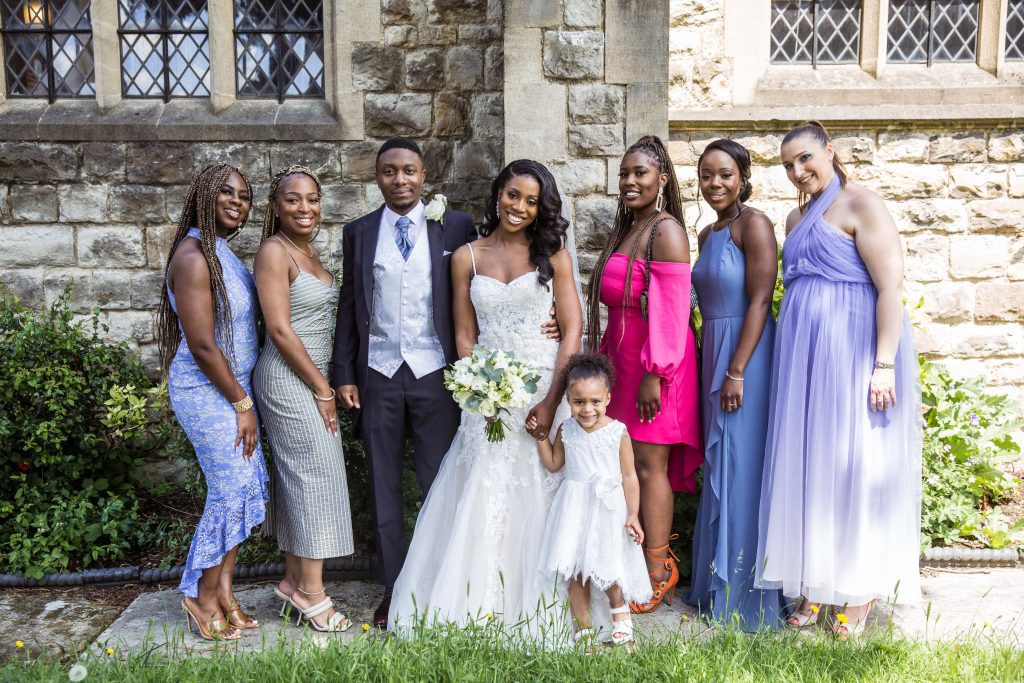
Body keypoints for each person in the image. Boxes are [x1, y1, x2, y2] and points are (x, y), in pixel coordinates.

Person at [332, 139, 559, 628]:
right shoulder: (359, 232)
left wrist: (552, 315)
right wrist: (345, 374)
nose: (400, 180)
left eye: (409, 170)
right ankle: (396, 589)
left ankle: (442, 581)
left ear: (423, 174)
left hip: (438, 376)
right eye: (389, 172)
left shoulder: (453, 225)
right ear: (377, 178)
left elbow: (510, 274)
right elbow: (351, 306)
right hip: (379, 375)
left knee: (446, 482)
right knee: (385, 489)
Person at [388, 159, 584, 635]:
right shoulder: (466, 257)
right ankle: (479, 603)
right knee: (483, 484)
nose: (519, 207)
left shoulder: (552, 254)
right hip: (489, 395)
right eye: (513, 195)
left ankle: (548, 606)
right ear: (497, 194)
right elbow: (464, 336)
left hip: (542, 384)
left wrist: (551, 398)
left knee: (543, 484)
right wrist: (481, 390)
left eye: (532, 201)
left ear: (541, 209)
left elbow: (573, 328)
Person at [755, 121, 921, 637]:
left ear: (830, 152)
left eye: (805, 158)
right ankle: (815, 582)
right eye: (787, 165)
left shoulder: (861, 204)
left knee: (856, 462)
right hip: (805, 358)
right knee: (813, 463)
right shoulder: (793, 216)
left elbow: (889, 286)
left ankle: (858, 589)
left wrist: (884, 363)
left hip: (853, 351)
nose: (797, 171)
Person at [584, 135, 702, 614]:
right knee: (622, 467)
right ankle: (629, 562)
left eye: (641, 173)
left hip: (658, 366)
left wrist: (656, 372)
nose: (630, 181)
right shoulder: (630, 227)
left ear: (663, 179)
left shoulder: (666, 231)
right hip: (623, 362)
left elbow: (673, 313)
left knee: (651, 468)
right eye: (625, 174)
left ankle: (658, 569)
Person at [156, 163, 269, 641]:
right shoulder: (193, 257)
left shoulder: (220, 251)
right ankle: (200, 596)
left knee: (243, 486)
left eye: (243, 196)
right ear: (203, 195)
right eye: (225, 192)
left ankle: (223, 590)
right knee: (231, 488)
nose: (236, 202)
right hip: (208, 391)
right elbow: (203, 345)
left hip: (231, 390)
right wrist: (242, 404)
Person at [684, 140, 787, 631]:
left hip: (745, 356)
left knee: (742, 466)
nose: (715, 184)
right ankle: (715, 585)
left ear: (743, 176)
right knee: (719, 464)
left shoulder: (755, 224)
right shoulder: (706, 233)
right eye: (706, 175)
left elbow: (760, 300)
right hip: (713, 354)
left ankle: (747, 594)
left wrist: (737, 369)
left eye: (725, 174)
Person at [253, 165, 354, 633]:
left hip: (310, 377)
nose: (305, 208)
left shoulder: (308, 250)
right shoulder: (275, 251)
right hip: (290, 378)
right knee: (315, 476)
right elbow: (278, 328)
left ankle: (294, 583)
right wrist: (321, 388)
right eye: (293, 200)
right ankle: (315, 594)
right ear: (276, 206)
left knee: (305, 477)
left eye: (312, 199)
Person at [534, 353, 651, 649]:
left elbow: (629, 477)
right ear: (568, 401)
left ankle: (621, 619)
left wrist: (633, 514)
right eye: (578, 402)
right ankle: (583, 631)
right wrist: (540, 438)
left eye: (595, 401)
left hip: (607, 509)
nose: (587, 409)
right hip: (573, 508)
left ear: (608, 398)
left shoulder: (617, 432)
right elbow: (554, 463)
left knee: (607, 564)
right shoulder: (566, 430)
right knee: (575, 571)